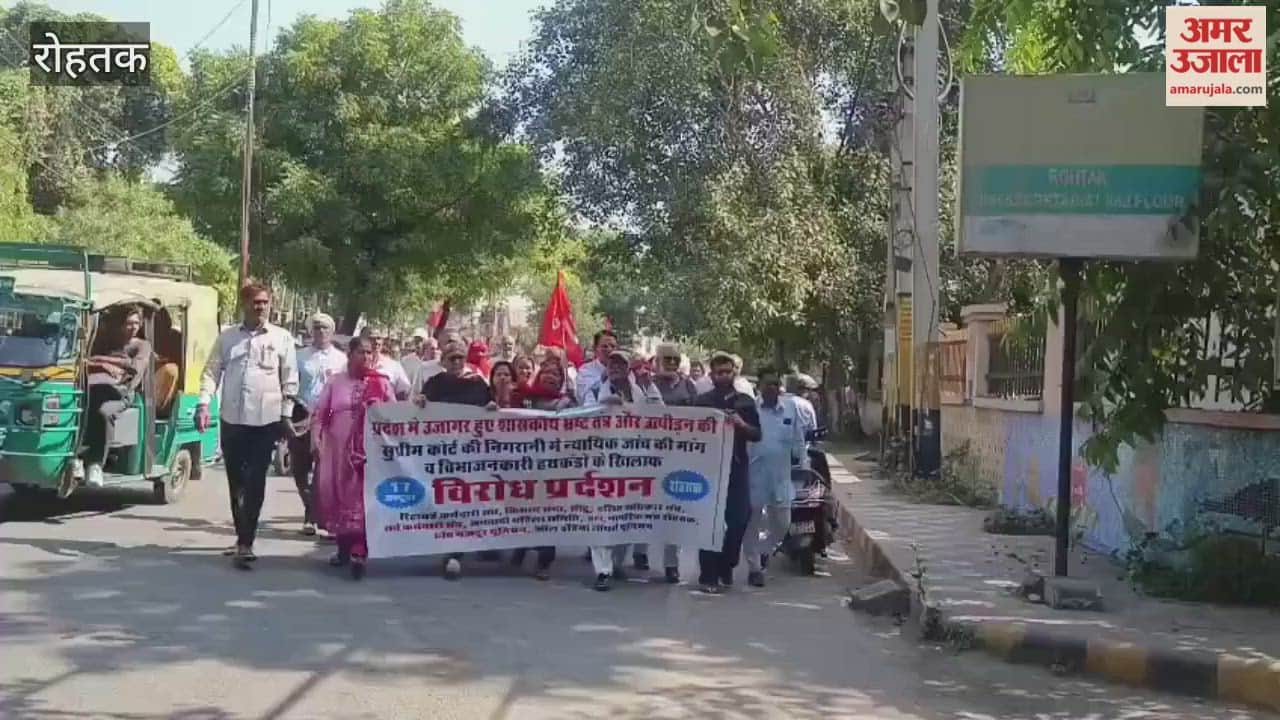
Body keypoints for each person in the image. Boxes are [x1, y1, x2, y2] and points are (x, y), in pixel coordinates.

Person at [197, 282, 299, 570]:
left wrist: (286, 415)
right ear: (244, 304)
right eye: (256, 302)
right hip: (232, 420)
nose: (261, 307)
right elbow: (211, 371)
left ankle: (246, 542)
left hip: (265, 422)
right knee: (236, 482)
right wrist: (204, 404)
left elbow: (290, 379)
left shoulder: (282, 338)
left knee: (255, 481)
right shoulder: (228, 337)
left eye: (265, 302)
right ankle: (241, 534)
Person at [311, 336, 393, 580]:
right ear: (350, 354)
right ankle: (344, 549)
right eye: (362, 352)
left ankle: (360, 550)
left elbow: (396, 413)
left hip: (369, 451)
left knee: (362, 498)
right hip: (337, 448)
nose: (367, 357)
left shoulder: (381, 383)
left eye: (370, 353)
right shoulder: (336, 382)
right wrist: (316, 438)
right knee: (338, 495)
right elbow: (321, 413)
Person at [584, 350, 664, 590]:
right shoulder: (596, 390)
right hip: (603, 462)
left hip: (634, 463)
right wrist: (604, 407)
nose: (615, 367)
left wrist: (631, 403)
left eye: (621, 363)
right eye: (612, 363)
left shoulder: (642, 390)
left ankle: (616, 562)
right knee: (600, 516)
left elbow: (661, 415)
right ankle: (602, 571)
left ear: (629, 368)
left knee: (626, 516)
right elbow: (582, 418)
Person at [417, 341, 492, 579]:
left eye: (461, 357)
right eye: (452, 358)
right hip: (442, 452)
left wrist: (491, 409)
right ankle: (447, 548)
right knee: (445, 500)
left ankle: (456, 552)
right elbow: (419, 409)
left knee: (464, 500)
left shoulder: (478, 383)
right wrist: (419, 403)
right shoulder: (434, 384)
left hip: (470, 453)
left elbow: (488, 407)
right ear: (444, 361)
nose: (457, 362)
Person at [695, 352, 761, 594]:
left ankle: (727, 563)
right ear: (711, 375)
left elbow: (757, 434)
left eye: (727, 372)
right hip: (709, 470)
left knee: (739, 520)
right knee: (710, 523)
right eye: (718, 372)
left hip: (737, 467)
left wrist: (742, 425)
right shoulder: (701, 402)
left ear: (735, 373)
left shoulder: (745, 402)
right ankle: (708, 574)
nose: (723, 376)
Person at [508, 363, 572, 580]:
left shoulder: (566, 402)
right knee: (523, 509)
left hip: (553, 467)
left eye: (556, 374)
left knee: (548, 514)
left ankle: (544, 561)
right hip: (524, 465)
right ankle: (520, 548)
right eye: (546, 373)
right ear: (539, 375)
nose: (551, 377)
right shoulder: (524, 397)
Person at [745, 366, 806, 587]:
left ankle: (764, 551)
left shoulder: (790, 409)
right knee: (751, 522)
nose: (771, 387)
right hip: (754, 473)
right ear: (759, 386)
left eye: (775, 383)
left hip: (781, 475)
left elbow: (798, 440)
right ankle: (754, 568)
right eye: (767, 383)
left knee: (782, 523)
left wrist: (803, 462)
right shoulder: (751, 409)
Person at [82, 305, 153, 487]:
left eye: (136, 323)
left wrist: (102, 361)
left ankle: (96, 464)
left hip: (121, 393)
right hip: (93, 388)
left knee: (104, 413)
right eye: (129, 323)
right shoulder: (105, 341)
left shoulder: (142, 345)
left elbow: (135, 368)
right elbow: (84, 359)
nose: (133, 327)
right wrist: (103, 365)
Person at [291, 312, 346, 537]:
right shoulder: (299, 356)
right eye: (316, 327)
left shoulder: (341, 359)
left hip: (329, 418)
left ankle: (312, 516)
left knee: (323, 468)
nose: (320, 331)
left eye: (324, 327)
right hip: (301, 414)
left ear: (331, 332)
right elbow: (289, 384)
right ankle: (309, 505)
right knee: (299, 468)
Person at [361, 326, 412, 400]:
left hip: (386, 410)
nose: (376, 342)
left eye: (379, 338)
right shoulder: (353, 366)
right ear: (362, 341)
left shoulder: (394, 366)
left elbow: (404, 393)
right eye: (371, 338)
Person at [574, 330, 620, 401]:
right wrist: (607, 375)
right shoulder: (585, 371)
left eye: (613, 346)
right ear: (595, 349)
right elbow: (588, 398)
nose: (610, 350)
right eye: (604, 346)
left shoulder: (625, 369)